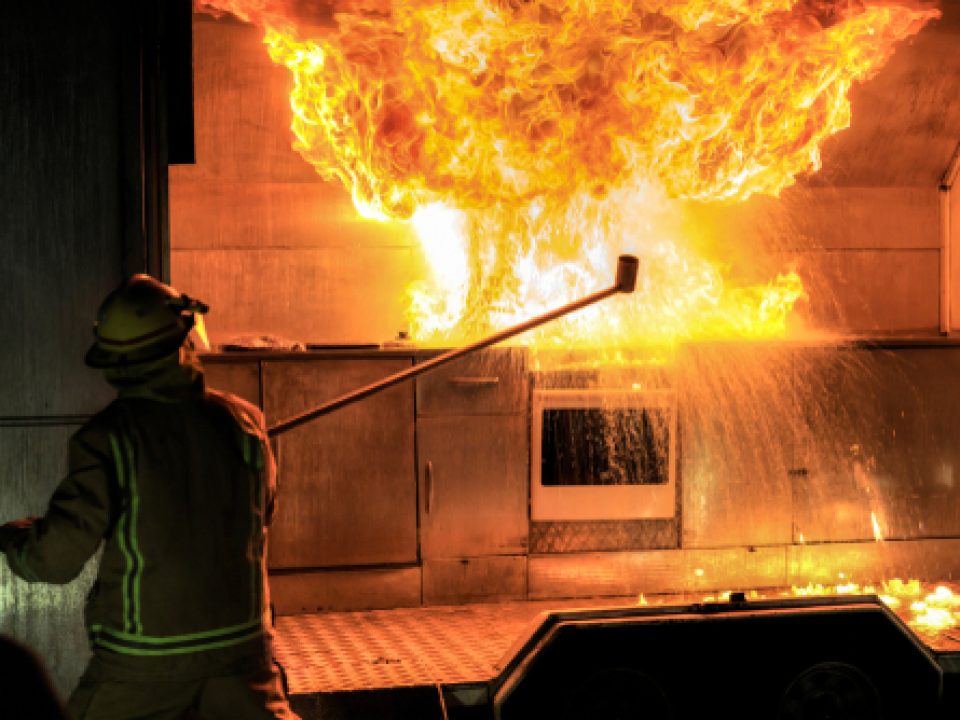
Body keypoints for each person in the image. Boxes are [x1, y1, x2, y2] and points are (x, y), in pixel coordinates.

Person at [0, 275, 300, 720]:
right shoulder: (246, 421)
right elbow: (262, 516)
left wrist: (16, 540)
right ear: (184, 341)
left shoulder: (107, 438)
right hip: (242, 656)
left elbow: (55, 560)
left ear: (113, 361)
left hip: (143, 664)